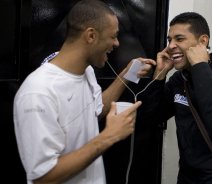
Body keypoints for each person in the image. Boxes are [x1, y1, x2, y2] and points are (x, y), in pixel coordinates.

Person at [13, 0, 155, 183]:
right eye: (113, 36)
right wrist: (108, 136)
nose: (117, 43)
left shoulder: (85, 71)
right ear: (90, 36)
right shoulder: (38, 92)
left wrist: (127, 74)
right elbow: (43, 177)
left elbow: (96, 110)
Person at [140, 12, 212, 184]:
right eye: (169, 40)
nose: (170, 46)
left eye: (179, 39)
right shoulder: (180, 79)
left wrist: (199, 65)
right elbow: (151, 117)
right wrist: (159, 76)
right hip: (187, 176)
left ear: (202, 41)